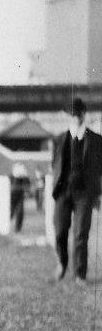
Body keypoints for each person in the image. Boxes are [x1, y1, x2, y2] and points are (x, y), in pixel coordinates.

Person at [52, 97, 102, 281]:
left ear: (83, 114)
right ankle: (62, 263)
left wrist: (97, 194)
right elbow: (55, 165)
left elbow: (99, 170)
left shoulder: (96, 140)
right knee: (59, 231)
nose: (74, 117)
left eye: (77, 114)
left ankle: (80, 274)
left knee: (81, 233)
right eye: (71, 114)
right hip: (63, 192)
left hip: (84, 194)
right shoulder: (59, 140)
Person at [10, 163, 30, 233]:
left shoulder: (25, 178)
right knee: (10, 212)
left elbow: (27, 187)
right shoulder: (11, 177)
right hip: (12, 196)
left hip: (20, 197)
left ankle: (17, 229)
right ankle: (5, 226)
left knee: (20, 212)